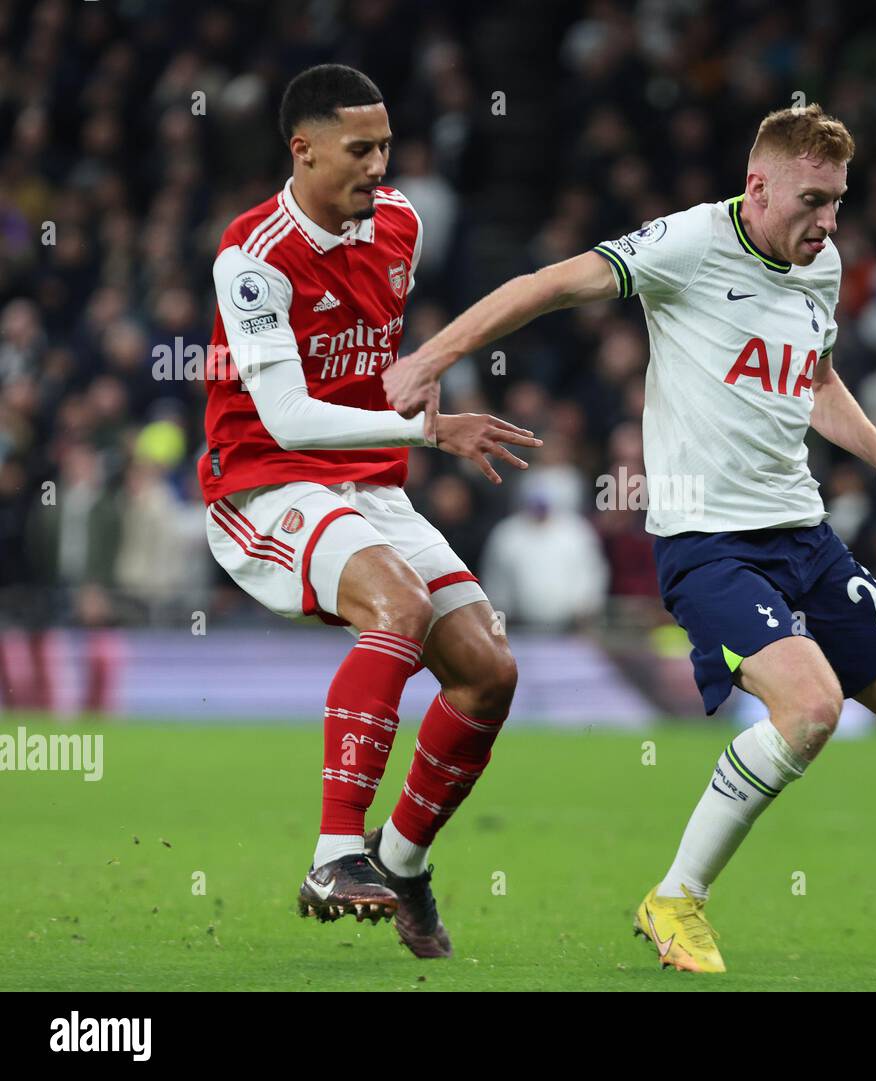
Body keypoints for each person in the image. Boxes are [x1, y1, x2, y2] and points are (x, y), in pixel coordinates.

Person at [384, 104, 876, 975]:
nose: (828, 223)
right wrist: (429, 358)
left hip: (805, 534)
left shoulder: (820, 263)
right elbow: (549, 284)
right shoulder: (685, 245)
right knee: (811, 708)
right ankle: (676, 896)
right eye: (813, 200)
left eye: (838, 202)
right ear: (757, 187)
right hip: (709, 545)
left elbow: (818, 375)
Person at [199, 64, 540, 958]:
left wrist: (411, 424)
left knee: (488, 672)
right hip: (265, 483)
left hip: (370, 486)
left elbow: (384, 367)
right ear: (301, 149)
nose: (379, 165)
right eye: (360, 149)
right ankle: (333, 852)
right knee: (398, 605)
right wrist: (431, 430)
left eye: (386, 145)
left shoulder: (402, 225)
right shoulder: (253, 256)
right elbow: (288, 416)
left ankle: (401, 860)